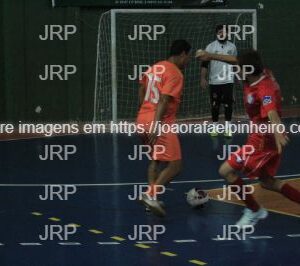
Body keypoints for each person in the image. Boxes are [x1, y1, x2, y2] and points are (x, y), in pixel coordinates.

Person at [196, 49, 300, 226]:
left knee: (226, 170)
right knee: (267, 182)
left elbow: (272, 112)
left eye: (240, 68)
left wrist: (278, 132)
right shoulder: (258, 73)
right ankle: (256, 210)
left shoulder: (263, 89)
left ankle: (255, 210)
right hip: (260, 137)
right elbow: (235, 61)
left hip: (262, 141)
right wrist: (211, 56)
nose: (237, 70)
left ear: (248, 70)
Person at [136, 40, 191, 217]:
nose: (188, 60)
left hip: (142, 119)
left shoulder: (155, 67)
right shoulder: (175, 73)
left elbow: (141, 89)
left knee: (155, 160)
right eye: (187, 56)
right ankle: (150, 195)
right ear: (183, 54)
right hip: (159, 123)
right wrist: (156, 124)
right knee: (176, 165)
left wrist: (143, 114)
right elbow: (164, 100)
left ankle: (150, 202)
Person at [200, 25, 237, 137]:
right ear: (216, 33)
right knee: (215, 105)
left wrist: (239, 77)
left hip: (228, 80)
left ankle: (228, 129)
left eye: (224, 32)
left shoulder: (232, 47)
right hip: (214, 82)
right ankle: (215, 128)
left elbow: (235, 62)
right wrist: (203, 78)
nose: (222, 34)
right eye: (220, 32)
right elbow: (204, 64)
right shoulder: (210, 47)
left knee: (228, 105)